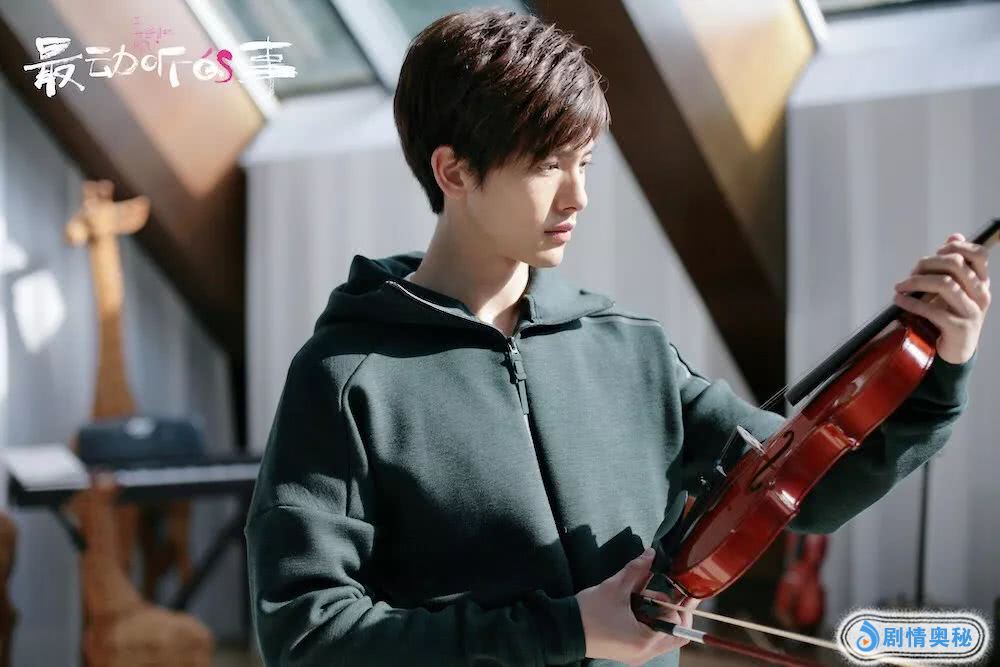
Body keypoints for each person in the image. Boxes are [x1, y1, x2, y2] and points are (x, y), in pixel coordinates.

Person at [244, 8, 989, 667]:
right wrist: (563, 630)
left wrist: (940, 371)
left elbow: (807, 491)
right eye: (547, 166)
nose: (579, 196)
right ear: (454, 171)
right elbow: (305, 634)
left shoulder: (634, 351)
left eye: (584, 162)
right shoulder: (346, 376)